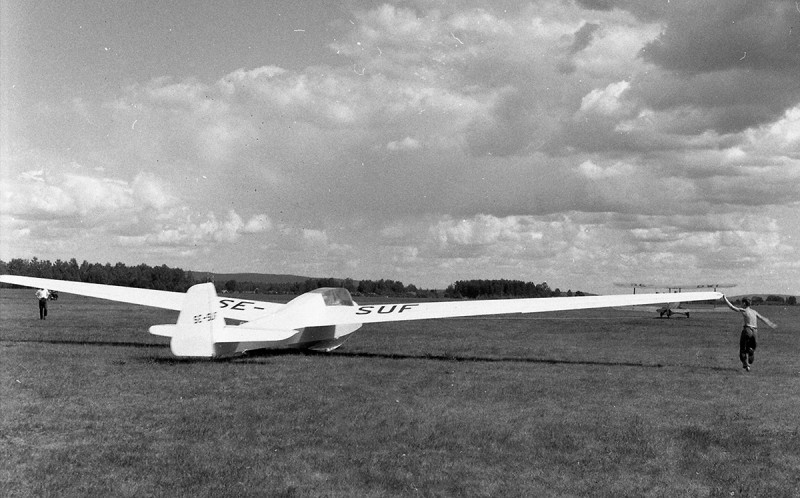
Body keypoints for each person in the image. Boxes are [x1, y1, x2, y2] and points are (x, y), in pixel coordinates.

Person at [722, 295, 777, 371]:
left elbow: (732, 307)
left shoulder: (744, 310)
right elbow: (762, 318)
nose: (741, 304)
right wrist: (770, 324)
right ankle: (750, 362)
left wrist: (725, 298)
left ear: (744, 303)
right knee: (751, 348)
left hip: (747, 330)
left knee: (743, 348)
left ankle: (745, 364)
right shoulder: (754, 312)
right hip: (755, 331)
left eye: (742, 303)